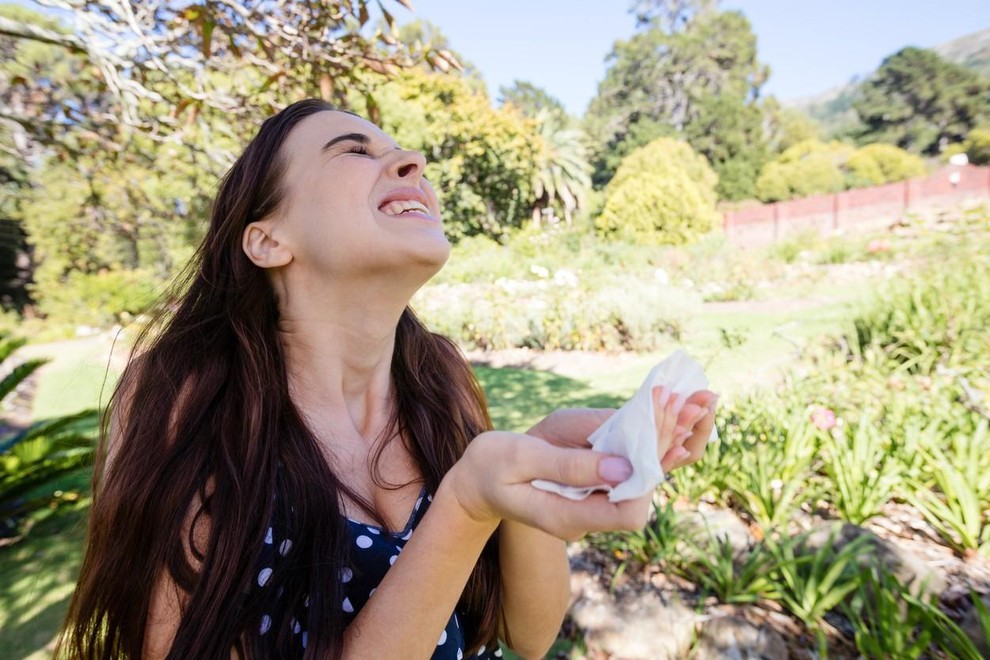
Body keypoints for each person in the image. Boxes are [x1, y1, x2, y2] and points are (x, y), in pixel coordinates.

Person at [56, 99, 717, 659]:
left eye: (401, 152)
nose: (412, 164)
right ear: (267, 241)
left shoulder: (440, 381)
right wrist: (464, 507)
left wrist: (536, 472)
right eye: (354, 151)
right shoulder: (183, 400)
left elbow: (530, 634)